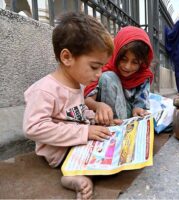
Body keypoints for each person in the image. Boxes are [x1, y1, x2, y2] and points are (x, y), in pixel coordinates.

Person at [23, 12, 114, 199]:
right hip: (59, 152)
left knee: (110, 147)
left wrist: (95, 118)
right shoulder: (45, 90)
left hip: (77, 142)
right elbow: (33, 128)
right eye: (94, 66)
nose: (99, 74)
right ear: (67, 57)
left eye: (102, 67)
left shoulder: (77, 86)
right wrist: (85, 133)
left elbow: (76, 114)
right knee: (96, 163)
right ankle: (72, 178)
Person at [84, 26, 154, 126]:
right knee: (108, 77)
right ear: (116, 53)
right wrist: (98, 106)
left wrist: (138, 110)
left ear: (142, 62)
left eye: (135, 62)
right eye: (124, 59)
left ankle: (122, 125)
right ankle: (115, 123)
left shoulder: (143, 75)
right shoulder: (105, 66)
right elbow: (87, 100)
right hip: (107, 116)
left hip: (128, 117)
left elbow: (140, 103)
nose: (127, 67)